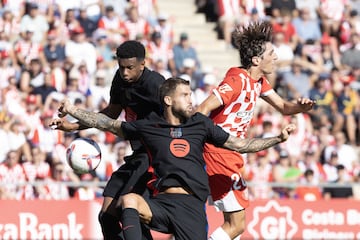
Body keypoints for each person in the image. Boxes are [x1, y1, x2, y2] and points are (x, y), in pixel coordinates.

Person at [52, 77, 296, 240]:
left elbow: (240, 144)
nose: (191, 100)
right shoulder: (149, 126)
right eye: (185, 95)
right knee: (129, 200)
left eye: (190, 95)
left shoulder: (201, 124)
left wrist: (277, 139)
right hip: (161, 204)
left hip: (191, 209)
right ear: (169, 100)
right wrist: (73, 111)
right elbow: (108, 123)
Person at [196, 21, 316, 240]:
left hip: (233, 153)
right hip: (220, 153)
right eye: (271, 53)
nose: (276, 58)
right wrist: (197, 140)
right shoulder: (236, 81)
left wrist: (301, 106)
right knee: (237, 225)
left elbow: (284, 107)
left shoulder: (258, 82)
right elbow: (202, 108)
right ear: (256, 60)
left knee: (235, 226)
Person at [50, 40, 166, 240]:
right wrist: (72, 126)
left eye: (130, 68)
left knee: (130, 212)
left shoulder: (156, 84)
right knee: (107, 216)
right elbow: (110, 114)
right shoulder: (120, 80)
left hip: (155, 158)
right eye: (121, 68)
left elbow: (176, 119)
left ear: (142, 64)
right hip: (138, 155)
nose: (125, 73)